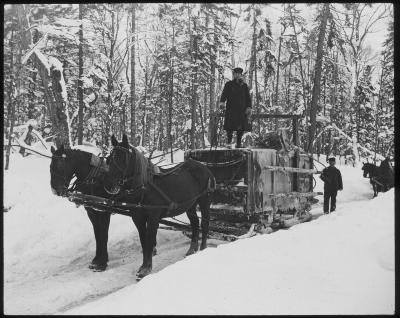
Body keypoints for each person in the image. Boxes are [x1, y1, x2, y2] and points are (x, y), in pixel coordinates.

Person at [219, 67, 252, 149]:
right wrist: (222, 103)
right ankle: (229, 142)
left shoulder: (244, 86)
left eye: (239, 74)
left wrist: (249, 107)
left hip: (241, 110)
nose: (237, 75)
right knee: (229, 127)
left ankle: (238, 143)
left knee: (240, 127)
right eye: (235, 74)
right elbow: (224, 95)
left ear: (241, 75)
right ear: (233, 75)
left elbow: (248, 98)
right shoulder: (229, 84)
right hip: (231, 109)